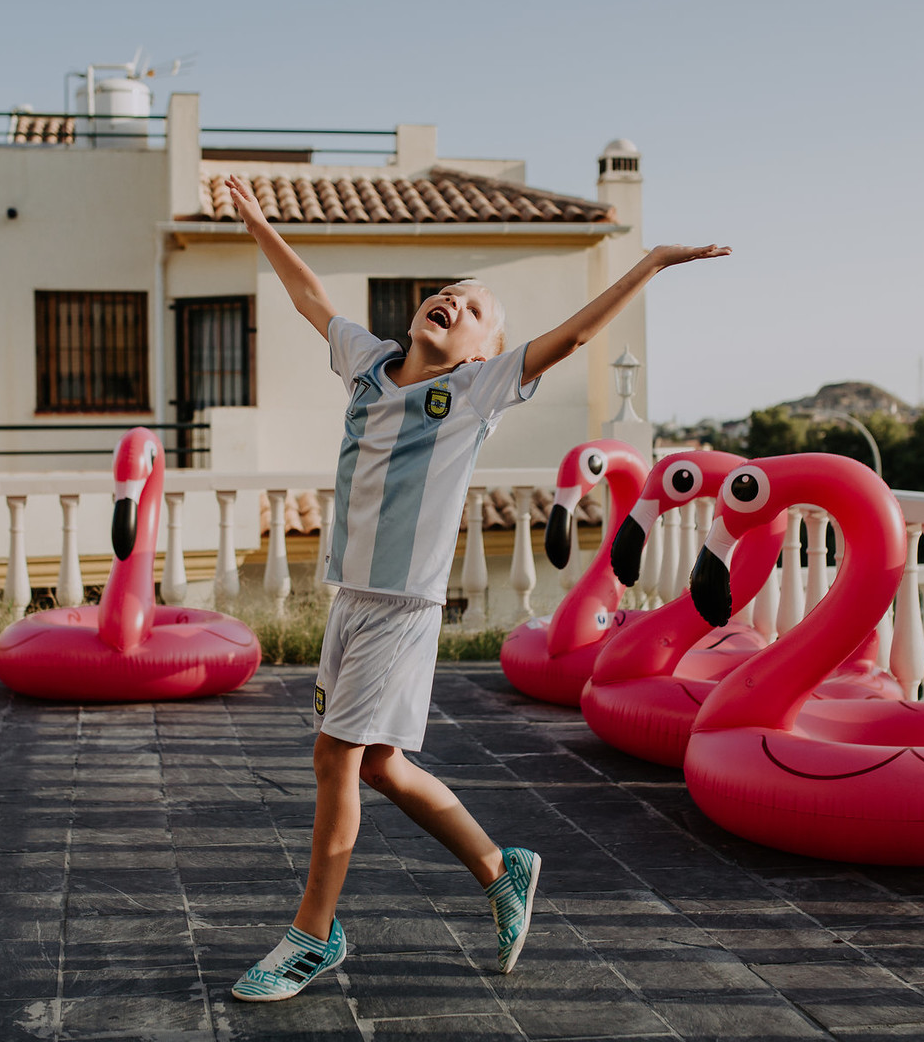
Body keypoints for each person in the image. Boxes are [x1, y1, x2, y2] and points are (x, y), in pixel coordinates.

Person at [222, 173, 730, 1002]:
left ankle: (312, 936)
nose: (453, 302)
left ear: (487, 353)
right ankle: (502, 869)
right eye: (448, 293)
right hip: (353, 600)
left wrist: (650, 267)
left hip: (403, 610)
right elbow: (307, 293)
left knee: (333, 761)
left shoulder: (476, 393)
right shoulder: (367, 363)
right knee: (380, 765)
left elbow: (566, 341)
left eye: (475, 309)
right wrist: (256, 222)